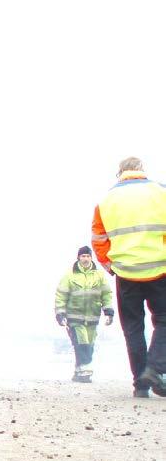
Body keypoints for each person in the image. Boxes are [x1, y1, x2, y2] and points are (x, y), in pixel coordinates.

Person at [92, 157, 166, 398]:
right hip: (160, 270)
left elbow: (99, 239)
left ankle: (140, 385)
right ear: (141, 170)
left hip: (125, 273)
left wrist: (110, 265)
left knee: (133, 328)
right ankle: (154, 368)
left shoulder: (106, 201)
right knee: (164, 321)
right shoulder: (160, 192)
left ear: (120, 173)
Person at [55, 246, 113, 382]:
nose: (85, 259)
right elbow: (61, 296)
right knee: (82, 342)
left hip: (93, 317)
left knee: (90, 345)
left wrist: (108, 312)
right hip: (75, 317)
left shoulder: (99, 276)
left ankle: (79, 370)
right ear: (78, 258)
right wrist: (60, 314)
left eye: (87, 256)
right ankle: (85, 372)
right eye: (83, 256)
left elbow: (106, 294)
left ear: (91, 258)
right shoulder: (69, 276)